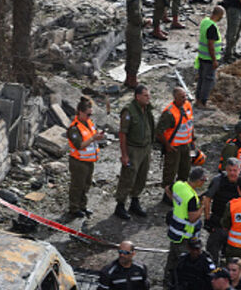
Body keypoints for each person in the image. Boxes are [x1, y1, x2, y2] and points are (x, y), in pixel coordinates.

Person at [115, 85, 155, 219]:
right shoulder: (129, 111)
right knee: (128, 177)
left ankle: (134, 201)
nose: (148, 98)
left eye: (148, 95)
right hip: (133, 149)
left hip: (145, 148)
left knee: (142, 176)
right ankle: (120, 205)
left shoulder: (147, 109)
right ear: (137, 97)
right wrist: (124, 154)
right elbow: (122, 134)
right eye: (145, 95)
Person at [164, 166, 207, 288]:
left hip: (174, 233)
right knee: (182, 266)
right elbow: (193, 218)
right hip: (185, 237)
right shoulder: (192, 198)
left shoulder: (179, 185)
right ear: (199, 181)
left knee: (171, 261)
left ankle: (166, 287)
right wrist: (202, 207)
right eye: (203, 180)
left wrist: (176, 202)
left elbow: (168, 189)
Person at [67, 97, 106, 218]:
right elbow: (79, 145)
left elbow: (92, 136)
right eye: (88, 114)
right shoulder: (74, 128)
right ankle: (74, 208)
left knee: (86, 184)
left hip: (89, 161)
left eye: (91, 114)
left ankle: (82, 206)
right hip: (78, 162)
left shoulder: (89, 123)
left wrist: (98, 137)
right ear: (80, 112)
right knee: (77, 186)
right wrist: (93, 138)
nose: (90, 117)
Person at [157, 87, 195, 203]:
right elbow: (158, 131)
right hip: (174, 147)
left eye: (185, 96)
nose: (185, 99)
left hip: (186, 145)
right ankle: (167, 196)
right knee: (170, 171)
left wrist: (192, 140)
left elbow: (190, 123)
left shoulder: (187, 105)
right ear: (175, 98)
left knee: (185, 170)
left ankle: (179, 192)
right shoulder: (169, 113)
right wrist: (167, 146)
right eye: (182, 97)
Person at [203, 158, 241, 264]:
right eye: (230, 170)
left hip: (235, 225)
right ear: (226, 169)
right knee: (211, 254)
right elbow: (207, 199)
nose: (232, 173)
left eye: (235, 170)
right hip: (218, 222)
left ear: (239, 170)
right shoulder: (218, 180)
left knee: (234, 258)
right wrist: (207, 218)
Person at [194, 6, 225, 108]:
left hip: (202, 57)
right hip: (209, 59)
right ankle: (203, 102)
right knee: (208, 81)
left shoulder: (205, 21)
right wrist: (214, 60)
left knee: (201, 79)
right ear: (219, 15)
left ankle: (198, 100)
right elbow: (210, 45)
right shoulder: (212, 27)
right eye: (222, 16)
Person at [125, 0, 152, 89]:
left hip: (131, 29)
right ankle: (132, 80)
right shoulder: (134, 1)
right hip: (134, 30)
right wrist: (146, 21)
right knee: (135, 55)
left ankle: (129, 78)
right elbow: (137, 19)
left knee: (130, 55)